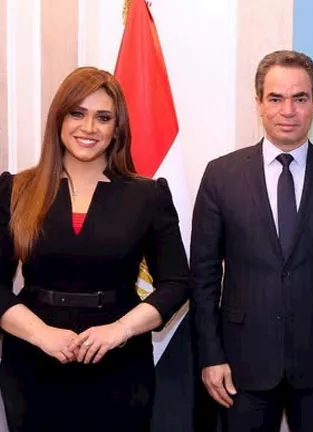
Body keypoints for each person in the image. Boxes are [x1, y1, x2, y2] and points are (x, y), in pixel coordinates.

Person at [189, 50, 313, 432]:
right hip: (240, 366)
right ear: (259, 103)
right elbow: (203, 276)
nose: (288, 110)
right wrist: (210, 356)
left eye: (299, 98)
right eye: (276, 98)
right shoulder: (221, 175)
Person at [0, 66, 189, 431]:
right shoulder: (15, 190)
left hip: (120, 367)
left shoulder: (148, 195)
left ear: (117, 128)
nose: (89, 128)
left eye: (103, 118)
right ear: (59, 118)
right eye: (77, 113)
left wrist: (119, 331)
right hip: (32, 364)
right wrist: (41, 334)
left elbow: (177, 283)